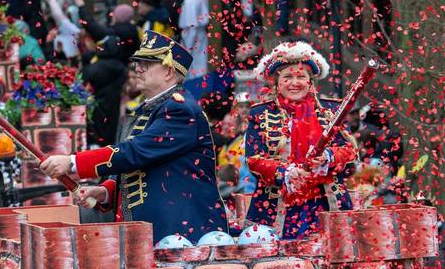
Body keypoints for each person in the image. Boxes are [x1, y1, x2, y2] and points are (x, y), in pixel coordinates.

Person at [39, 32, 227, 244]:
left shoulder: (179, 108)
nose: (138, 68)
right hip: (156, 233)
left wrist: (73, 162)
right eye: (138, 62)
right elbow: (143, 167)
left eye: (147, 63)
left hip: (182, 233)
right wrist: (105, 192)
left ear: (169, 71)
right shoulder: (153, 108)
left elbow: (135, 152)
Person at [245, 42, 357, 239]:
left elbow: (349, 152)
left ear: (310, 82)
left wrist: (328, 158)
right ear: (277, 83)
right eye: (287, 77)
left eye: (301, 76)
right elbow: (254, 159)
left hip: (326, 203)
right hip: (277, 206)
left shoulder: (332, 111)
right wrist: (286, 173)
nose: (294, 82)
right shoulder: (260, 113)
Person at [177, 0, 209, 80]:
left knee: (196, 68)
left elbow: (191, 26)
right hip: (199, 37)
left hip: (193, 39)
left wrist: (187, 48)